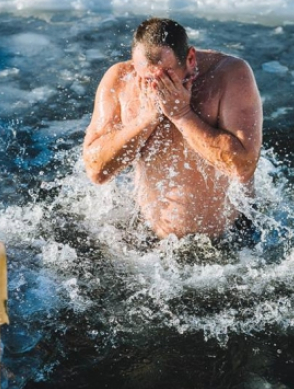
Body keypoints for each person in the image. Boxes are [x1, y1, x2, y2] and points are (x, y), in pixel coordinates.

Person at [83, 18, 262, 240]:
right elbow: (96, 171)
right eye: (145, 77)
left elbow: (242, 166)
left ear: (190, 58)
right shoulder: (121, 78)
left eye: (165, 75)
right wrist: (146, 119)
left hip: (227, 240)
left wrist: (182, 115)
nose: (155, 86)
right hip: (149, 240)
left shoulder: (229, 74)